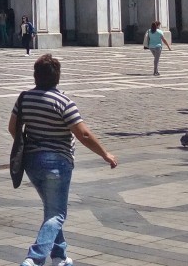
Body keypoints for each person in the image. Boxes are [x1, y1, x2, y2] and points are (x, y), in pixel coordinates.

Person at [9, 53, 117, 266]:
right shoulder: (64, 102)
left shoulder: (24, 98)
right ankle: (34, 258)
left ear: (35, 76)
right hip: (57, 163)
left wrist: (29, 143)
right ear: (57, 77)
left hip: (31, 162)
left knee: (51, 209)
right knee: (57, 214)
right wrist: (105, 153)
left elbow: (13, 128)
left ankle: (59, 256)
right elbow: (83, 134)